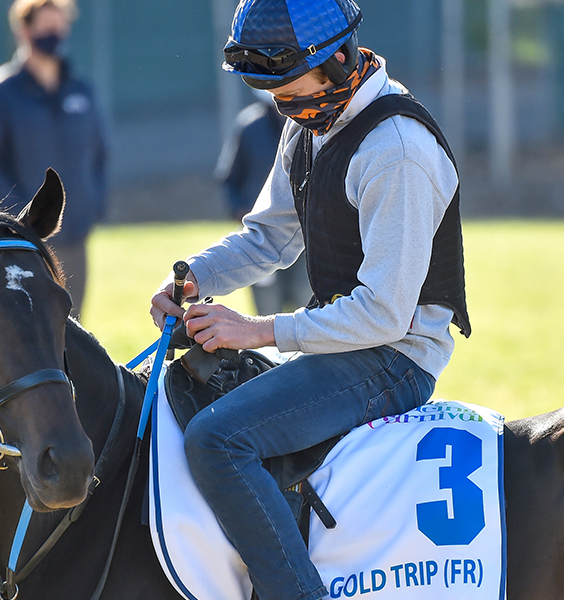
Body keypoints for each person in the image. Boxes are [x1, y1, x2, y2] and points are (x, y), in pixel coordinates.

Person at [150, 1, 470, 598]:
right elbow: (269, 236)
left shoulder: (396, 148)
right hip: (346, 345)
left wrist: (258, 330)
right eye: (271, 94)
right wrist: (194, 278)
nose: (283, 108)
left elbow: (384, 314)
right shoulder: (312, 123)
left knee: (217, 439)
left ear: (341, 60)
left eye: (291, 92)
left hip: (395, 356)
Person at [0, 0, 108, 319]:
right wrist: (21, 218)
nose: (54, 34)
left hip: (74, 238)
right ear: (24, 30)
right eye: (46, 27)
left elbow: (101, 154)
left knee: (73, 332)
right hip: (23, 242)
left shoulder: (81, 89)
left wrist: (92, 207)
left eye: (60, 26)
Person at [216, 89, 312, 315]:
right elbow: (229, 177)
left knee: (306, 299)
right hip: (262, 235)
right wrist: (238, 208)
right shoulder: (249, 127)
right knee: (267, 305)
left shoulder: (313, 126)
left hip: (308, 233)